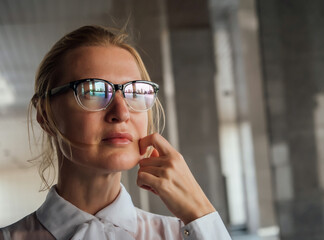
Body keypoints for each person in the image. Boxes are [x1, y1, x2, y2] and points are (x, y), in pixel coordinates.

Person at [0, 25, 231, 240]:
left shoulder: (183, 234)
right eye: (94, 91)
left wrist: (201, 212)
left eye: (135, 92)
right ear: (45, 115)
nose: (121, 113)